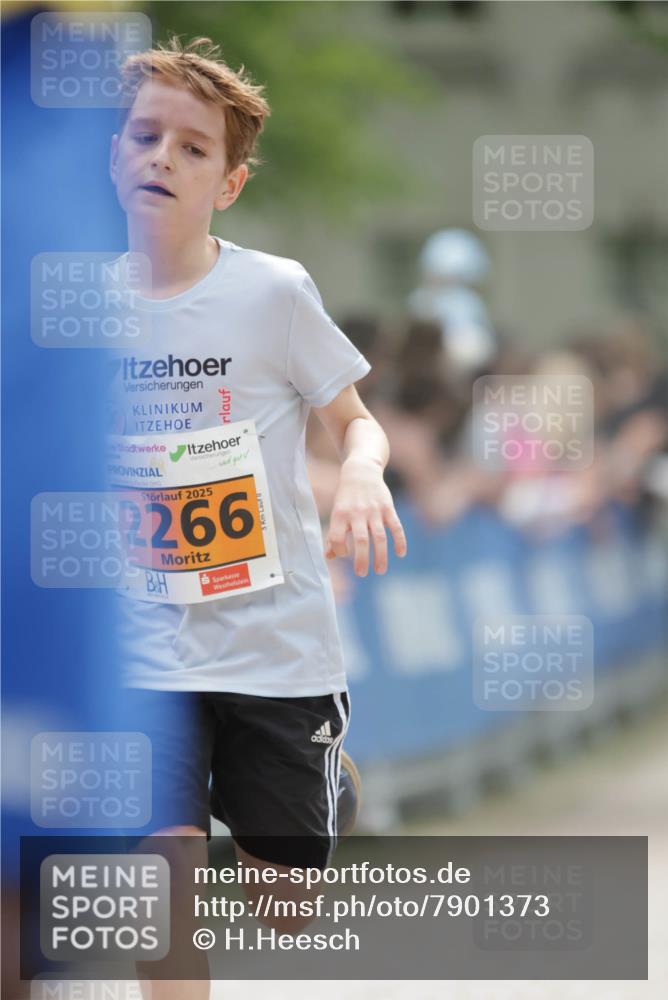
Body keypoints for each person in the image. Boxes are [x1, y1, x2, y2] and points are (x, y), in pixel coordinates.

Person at [107, 35, 406, 997]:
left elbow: (358, 425)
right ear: (112, 153)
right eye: (145, 136)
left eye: (193, 149)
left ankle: (329, 790)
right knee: (167, 874)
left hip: (274, 646)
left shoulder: (272, 292)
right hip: (142, 644)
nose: (163, 157)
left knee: (284, 902)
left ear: (228, 185)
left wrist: (363, 474)